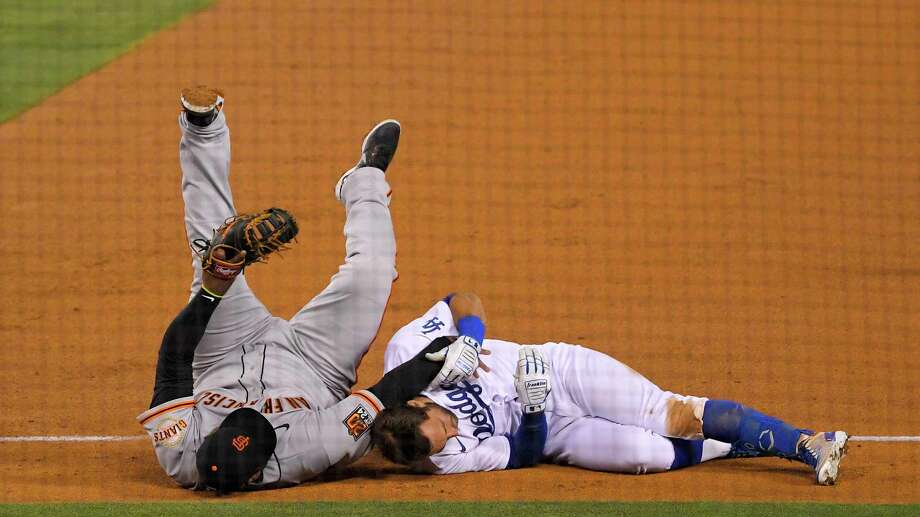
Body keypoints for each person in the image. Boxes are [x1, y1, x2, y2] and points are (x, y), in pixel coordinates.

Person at [137, 86, 435, 492]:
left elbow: (174, 355)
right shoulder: (310, 450)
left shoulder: (177, 446)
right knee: (373, 274)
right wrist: (446, 353)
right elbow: (384, 393)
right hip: (317, 367)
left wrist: (215, 286)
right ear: (262, 470)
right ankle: (364, 180)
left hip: (225, 350)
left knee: (211, 247)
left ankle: (202, 130)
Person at [371, 292, 850, 485]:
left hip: (559, 369)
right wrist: (534, 413)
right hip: (552, 431)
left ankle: (806, 442)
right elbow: (522, 454)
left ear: (416, 403)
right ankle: (737, 444)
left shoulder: (408, 353)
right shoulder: (441, 457)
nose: (453, 436)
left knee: (671, 417)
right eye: (442, 445)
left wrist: (470, 339)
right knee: (648, 456)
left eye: (445, 425)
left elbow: (462, 299)